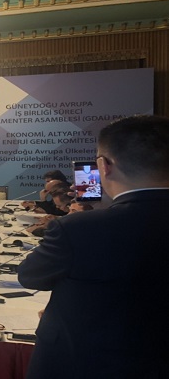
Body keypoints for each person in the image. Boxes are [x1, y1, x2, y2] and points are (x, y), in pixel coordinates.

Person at [17, 115, 169, 378]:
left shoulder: (77, 228)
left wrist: (91, 217)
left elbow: (30, 276)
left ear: (104, 166)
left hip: (84, 362)